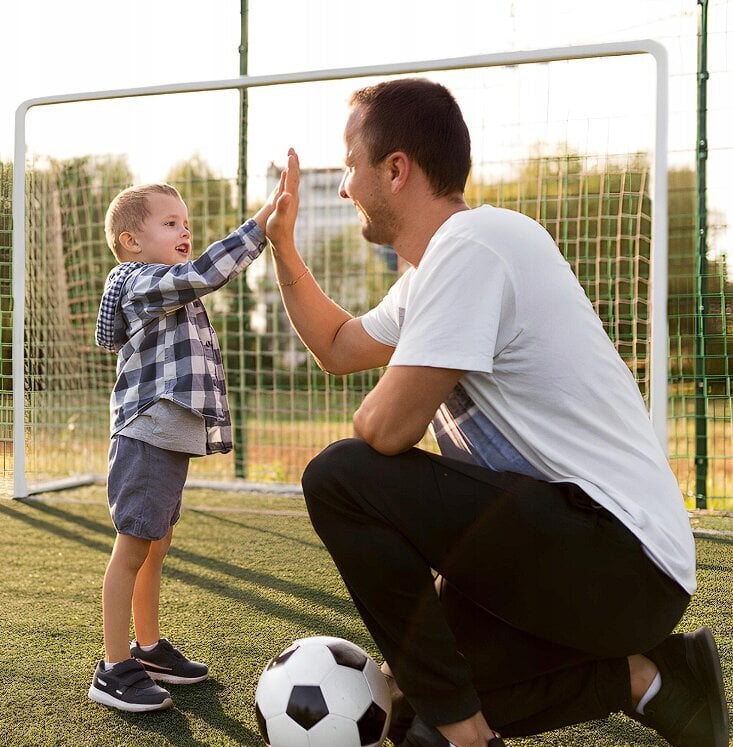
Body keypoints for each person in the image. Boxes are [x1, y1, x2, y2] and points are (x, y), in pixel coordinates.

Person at [265, 79, 729, 747]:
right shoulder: (433, 275)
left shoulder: (476, 244)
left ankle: (464, 735)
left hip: (621, 557)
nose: (343, 186)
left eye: (348, 165)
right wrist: (284, 250)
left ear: (395, 169)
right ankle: (655, 678)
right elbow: (339, 346)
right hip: (590, 563)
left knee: (341, 474)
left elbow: (384, 430)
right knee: (406, 694)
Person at [89, 175, 285, 712]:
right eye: (170, 223)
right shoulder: (139, 282)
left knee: (157, 545)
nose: (185, 230)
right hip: (146, 433)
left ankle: (147, 648)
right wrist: (261, 224)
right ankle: (111, 667)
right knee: (133, 547)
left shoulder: (167, 285)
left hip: (167, 439)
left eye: (186, 223)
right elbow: (204, 273)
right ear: (131, 240)